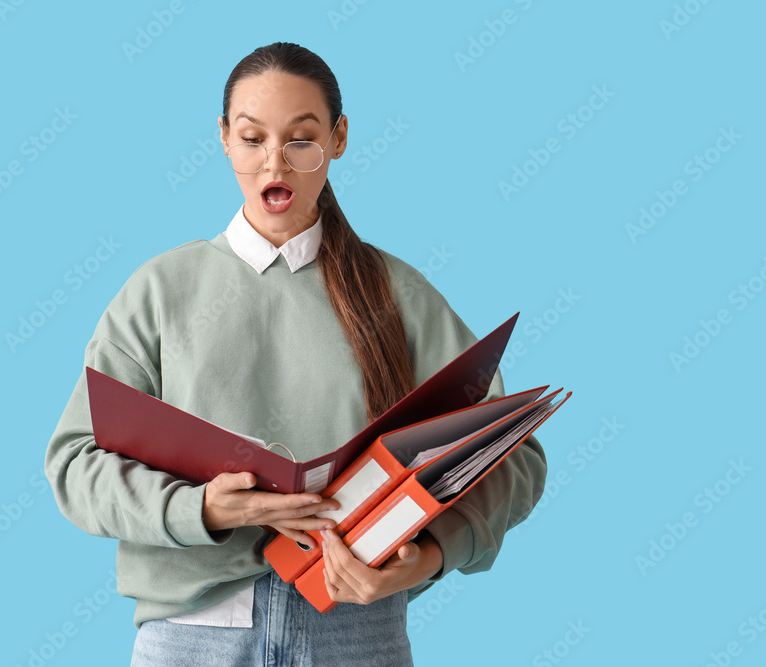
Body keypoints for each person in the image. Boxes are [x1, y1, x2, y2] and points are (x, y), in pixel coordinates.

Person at [44, 41, 547, 666]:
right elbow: (74, 461)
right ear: (224, 139)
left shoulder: (398, 295)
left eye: (301, 139)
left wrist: (431, 555)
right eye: (253, 138)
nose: (274, 161)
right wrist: (197, 508)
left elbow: (512, 455)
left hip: (358, 630)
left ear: (338, 139)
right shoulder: (159, 291)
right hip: (193, 635)